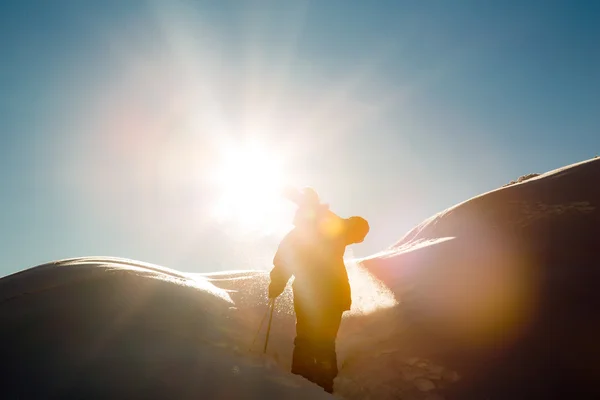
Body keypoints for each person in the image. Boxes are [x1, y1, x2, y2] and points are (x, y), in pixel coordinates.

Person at [268, 188, 370, 393]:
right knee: (317, 339)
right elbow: (285, 261)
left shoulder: (326, 226)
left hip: (324, 292)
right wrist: (277, 283)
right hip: (323, 292)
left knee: (314, 339)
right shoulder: (309, 231)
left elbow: (284, 261)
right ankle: (315, 384)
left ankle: (310, 384)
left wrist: (277, 283)